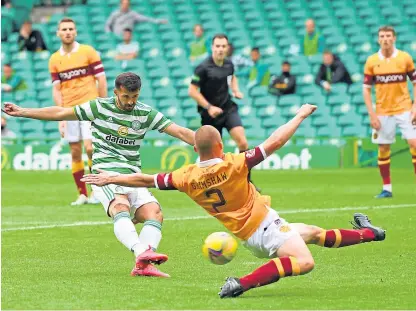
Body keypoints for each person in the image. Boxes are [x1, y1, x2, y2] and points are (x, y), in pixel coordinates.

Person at [80, 104, 386, 298]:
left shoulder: (185, 176)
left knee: (312, 232)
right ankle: (241, 283)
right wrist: (300, 115)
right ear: (219, 144)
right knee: (304, 262)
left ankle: (370, 233)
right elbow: (276, 141)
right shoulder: (234, 163)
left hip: (247, 234)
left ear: (196, 149)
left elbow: (146, 179)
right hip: (265, 226)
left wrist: (111, 178)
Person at [2, 72, 196, 278]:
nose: (131, 102)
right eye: (126, 97)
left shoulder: (145, 113)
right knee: (120, 206)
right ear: (116, 92)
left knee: (154, 213)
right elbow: (60, 113)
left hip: (132, 174)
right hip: (105, 171)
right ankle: (142, 252)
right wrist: (23, 111)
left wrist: (206, 146)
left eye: (135, 96)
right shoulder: (99, 107)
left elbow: (181, 131)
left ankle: (143, 265)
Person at [49, 17, 108, 206]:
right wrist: (60, 117)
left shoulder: (88, 51)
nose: (67, 32)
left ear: (75, 32)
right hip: (69, 111)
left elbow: (102, 79)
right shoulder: (54, 59)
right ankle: (82, 194)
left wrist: (102, 104)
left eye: (71, 29)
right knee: (75, 152)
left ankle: (96, 192)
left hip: (89, 108)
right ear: (58, 33)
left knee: (90, 148)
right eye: (64, 29)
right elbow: (57, 89)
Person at [188, 34, 257, 187]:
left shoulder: (229, 64)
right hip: (209, 114)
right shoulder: (203, 68)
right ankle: (208, 181)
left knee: (243, 142)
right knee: (213, 153)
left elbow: (232, 77)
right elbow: (192, 91)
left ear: (227, 48)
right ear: (212, 48)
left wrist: (236, 90)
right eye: (217, 46)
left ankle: (246, 181)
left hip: (228, 109)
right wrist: (209, 107)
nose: (220, 49)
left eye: (223, 46)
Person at [363, 25, 416, 198]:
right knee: (383, 148)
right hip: (382, 111)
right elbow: (366, 89)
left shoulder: (405, 58)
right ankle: (387, 188)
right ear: (378, 39)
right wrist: (372, 114)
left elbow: (415, 83)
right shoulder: (371, 61)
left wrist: (415, 106)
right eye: (382, 36)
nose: (385, 39)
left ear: (394, 38)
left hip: (405, 108)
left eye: (388, 36)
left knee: (414, 144)